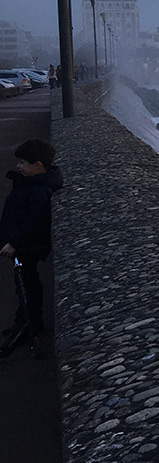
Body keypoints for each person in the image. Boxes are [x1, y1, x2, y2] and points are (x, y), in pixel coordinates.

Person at [0, 138, 62, 357]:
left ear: (38, 165)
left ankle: (29, 327)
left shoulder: (39, 190)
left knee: (27, 286)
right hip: (21, 243)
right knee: (24, 283)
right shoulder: (32, 183)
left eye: (23, 163)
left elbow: (34, 222)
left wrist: (13, 242)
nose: (18, 166)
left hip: (26, 247)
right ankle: (23, 321)